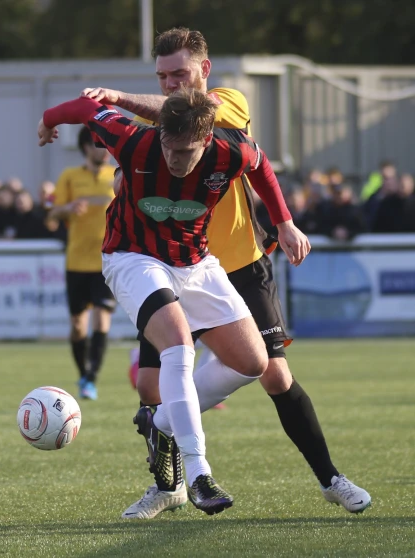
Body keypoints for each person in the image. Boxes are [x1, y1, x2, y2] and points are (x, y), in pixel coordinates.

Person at [81, 27, 371, 519]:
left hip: (235, 262)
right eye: (162, 76)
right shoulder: (152, 132)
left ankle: (331, 479)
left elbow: (228, 142)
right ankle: (169, 486)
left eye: (180, 73)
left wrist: (283, 223)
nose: (172, 84)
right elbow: (128, 135)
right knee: (151, 388)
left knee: (273, 373)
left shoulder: (224, 103)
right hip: (164, 262)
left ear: (204, 71)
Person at [39, 86, 310, 515]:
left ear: (206, 140)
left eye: (185, 151)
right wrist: (50, 119)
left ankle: (160, 423)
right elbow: (89, 108)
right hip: (132, 257)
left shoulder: (230, 150)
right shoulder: (136, 141)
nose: (174, 159)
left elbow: (261, 166)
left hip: (195, 262)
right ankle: (199, 473)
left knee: (254, 363)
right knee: (179, 347)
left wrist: (285, 222)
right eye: (169, 146)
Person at [47, 126, 116, 400]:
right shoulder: (69, 177)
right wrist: (68, 208)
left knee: (102, 318)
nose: (107, 150)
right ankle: (83, 372)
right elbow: (51, 215)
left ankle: (91, 378)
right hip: (76, 261)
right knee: (78, 326)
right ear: (87, 147)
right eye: (101, 144)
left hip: (107, 262)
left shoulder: (117, 176)